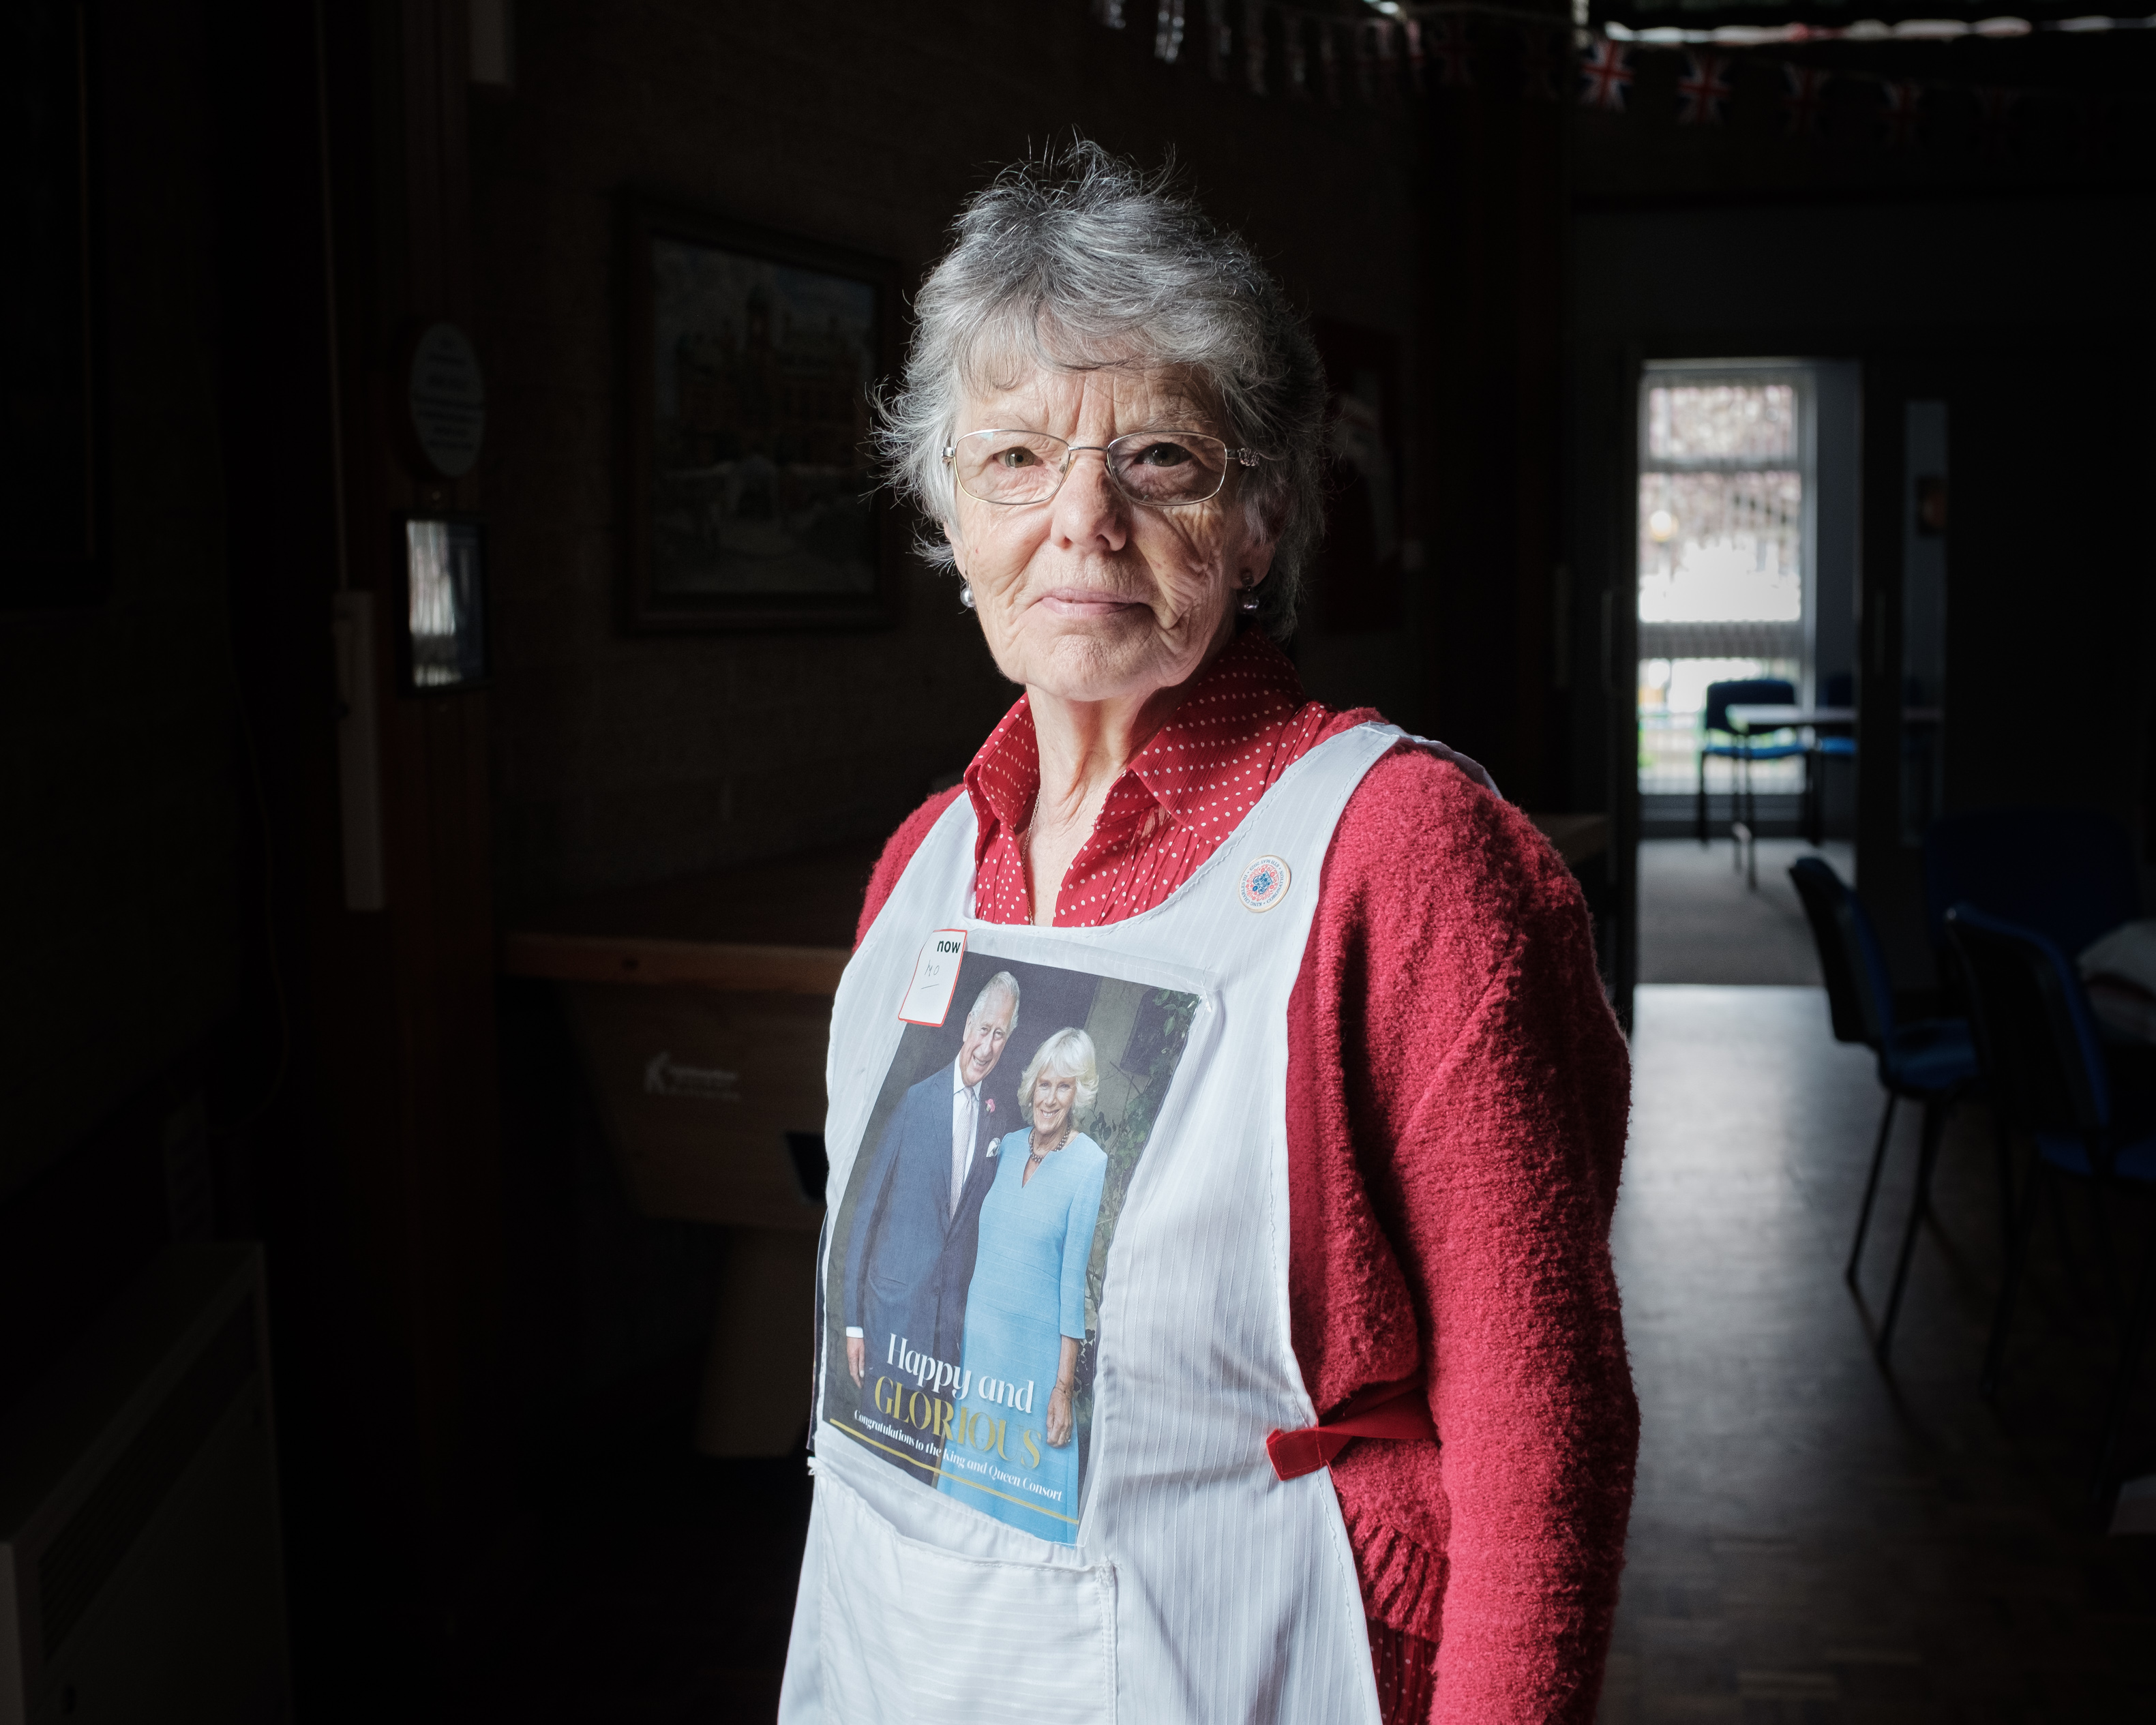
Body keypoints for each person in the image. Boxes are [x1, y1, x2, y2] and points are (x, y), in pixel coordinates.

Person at [785, 142, 1634, 1725]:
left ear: (1260, 520)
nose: (1082, 524)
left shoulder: (1401, 854)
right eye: (1015, 458)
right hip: (908, 1657)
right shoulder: (921, 867)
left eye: (1161, 459)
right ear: (942, 508)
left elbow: (1543, 1422)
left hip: (1252, 1662)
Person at [935, 1028, 1107, 1540]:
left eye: (1064, 1088)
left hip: (1034, 1369)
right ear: (1031, 1084)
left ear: (1079, 1095)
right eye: (1044, 1084)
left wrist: (1061, 1387)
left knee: (1024, 1512)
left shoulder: (1089, 1164)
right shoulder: (1005, 1148)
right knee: (965, 1503)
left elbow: (1072, 1283)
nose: (1050, 1098)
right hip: (980, 1357)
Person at [841, 972, 1019, 1393]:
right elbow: (866, 1213)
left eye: (999, 1034)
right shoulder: (916, 1102)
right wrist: (853, 1324)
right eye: (983, 1029)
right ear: (966, 1028)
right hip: (891, 1319)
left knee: (928, 1454)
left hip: (946, 1335)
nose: (987, 1045)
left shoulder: (999, 1119)